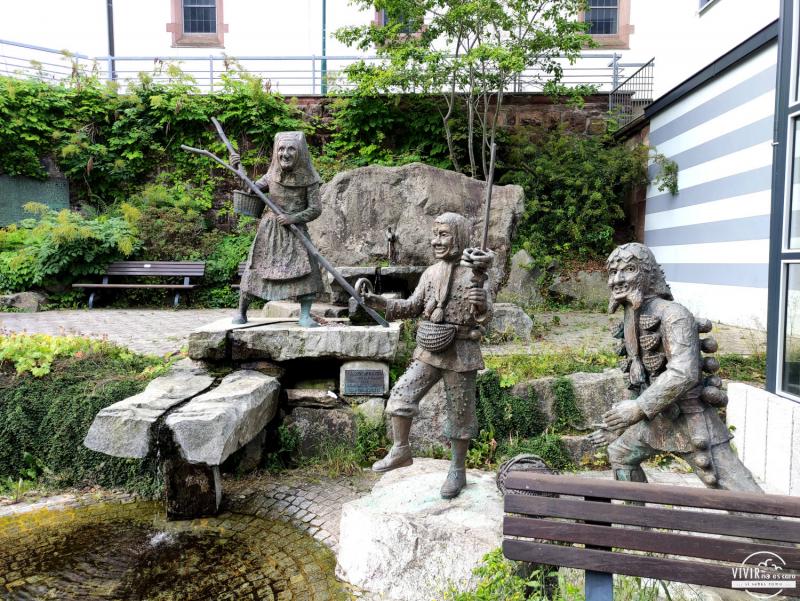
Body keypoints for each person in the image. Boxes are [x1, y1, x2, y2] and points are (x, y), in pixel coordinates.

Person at [589, 243, 761, 492]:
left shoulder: (675, 315)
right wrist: (619, 425)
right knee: (620, 454)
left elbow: (684, 372)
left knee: (741, 493)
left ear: (648, 274)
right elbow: (639, 378)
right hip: (656, 419)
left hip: (690, 421)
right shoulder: (631, 316)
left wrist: (638, 408)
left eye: (628, 270)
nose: (617, 280)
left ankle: (772, 519)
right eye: (613, 273)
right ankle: (635, 516)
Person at [363, 212, 493, 499]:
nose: (436, 241)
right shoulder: (431, 273)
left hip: (461, 352)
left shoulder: (477, 275)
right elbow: (412, 306)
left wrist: (482, 305)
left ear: (459, 237)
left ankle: (457, 470)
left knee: (460, 415)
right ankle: (401, 449)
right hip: (430, 348)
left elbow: (487, 316)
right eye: (435, 235)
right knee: (401, 395)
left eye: (443, 235)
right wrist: (379, 303)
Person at [230, 131, 323, 327]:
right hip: (270, 231)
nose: (285, 154)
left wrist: (293, 218)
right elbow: (251, 189)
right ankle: (242, 312)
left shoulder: (310, 179)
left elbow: (316, 209)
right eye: (281, 149)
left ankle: (305, 315)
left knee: (309, 271)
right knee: (255, 269)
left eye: (291, 149)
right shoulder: (271, 175)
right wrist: (238, 169)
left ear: (300, 152)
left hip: (296, 231)